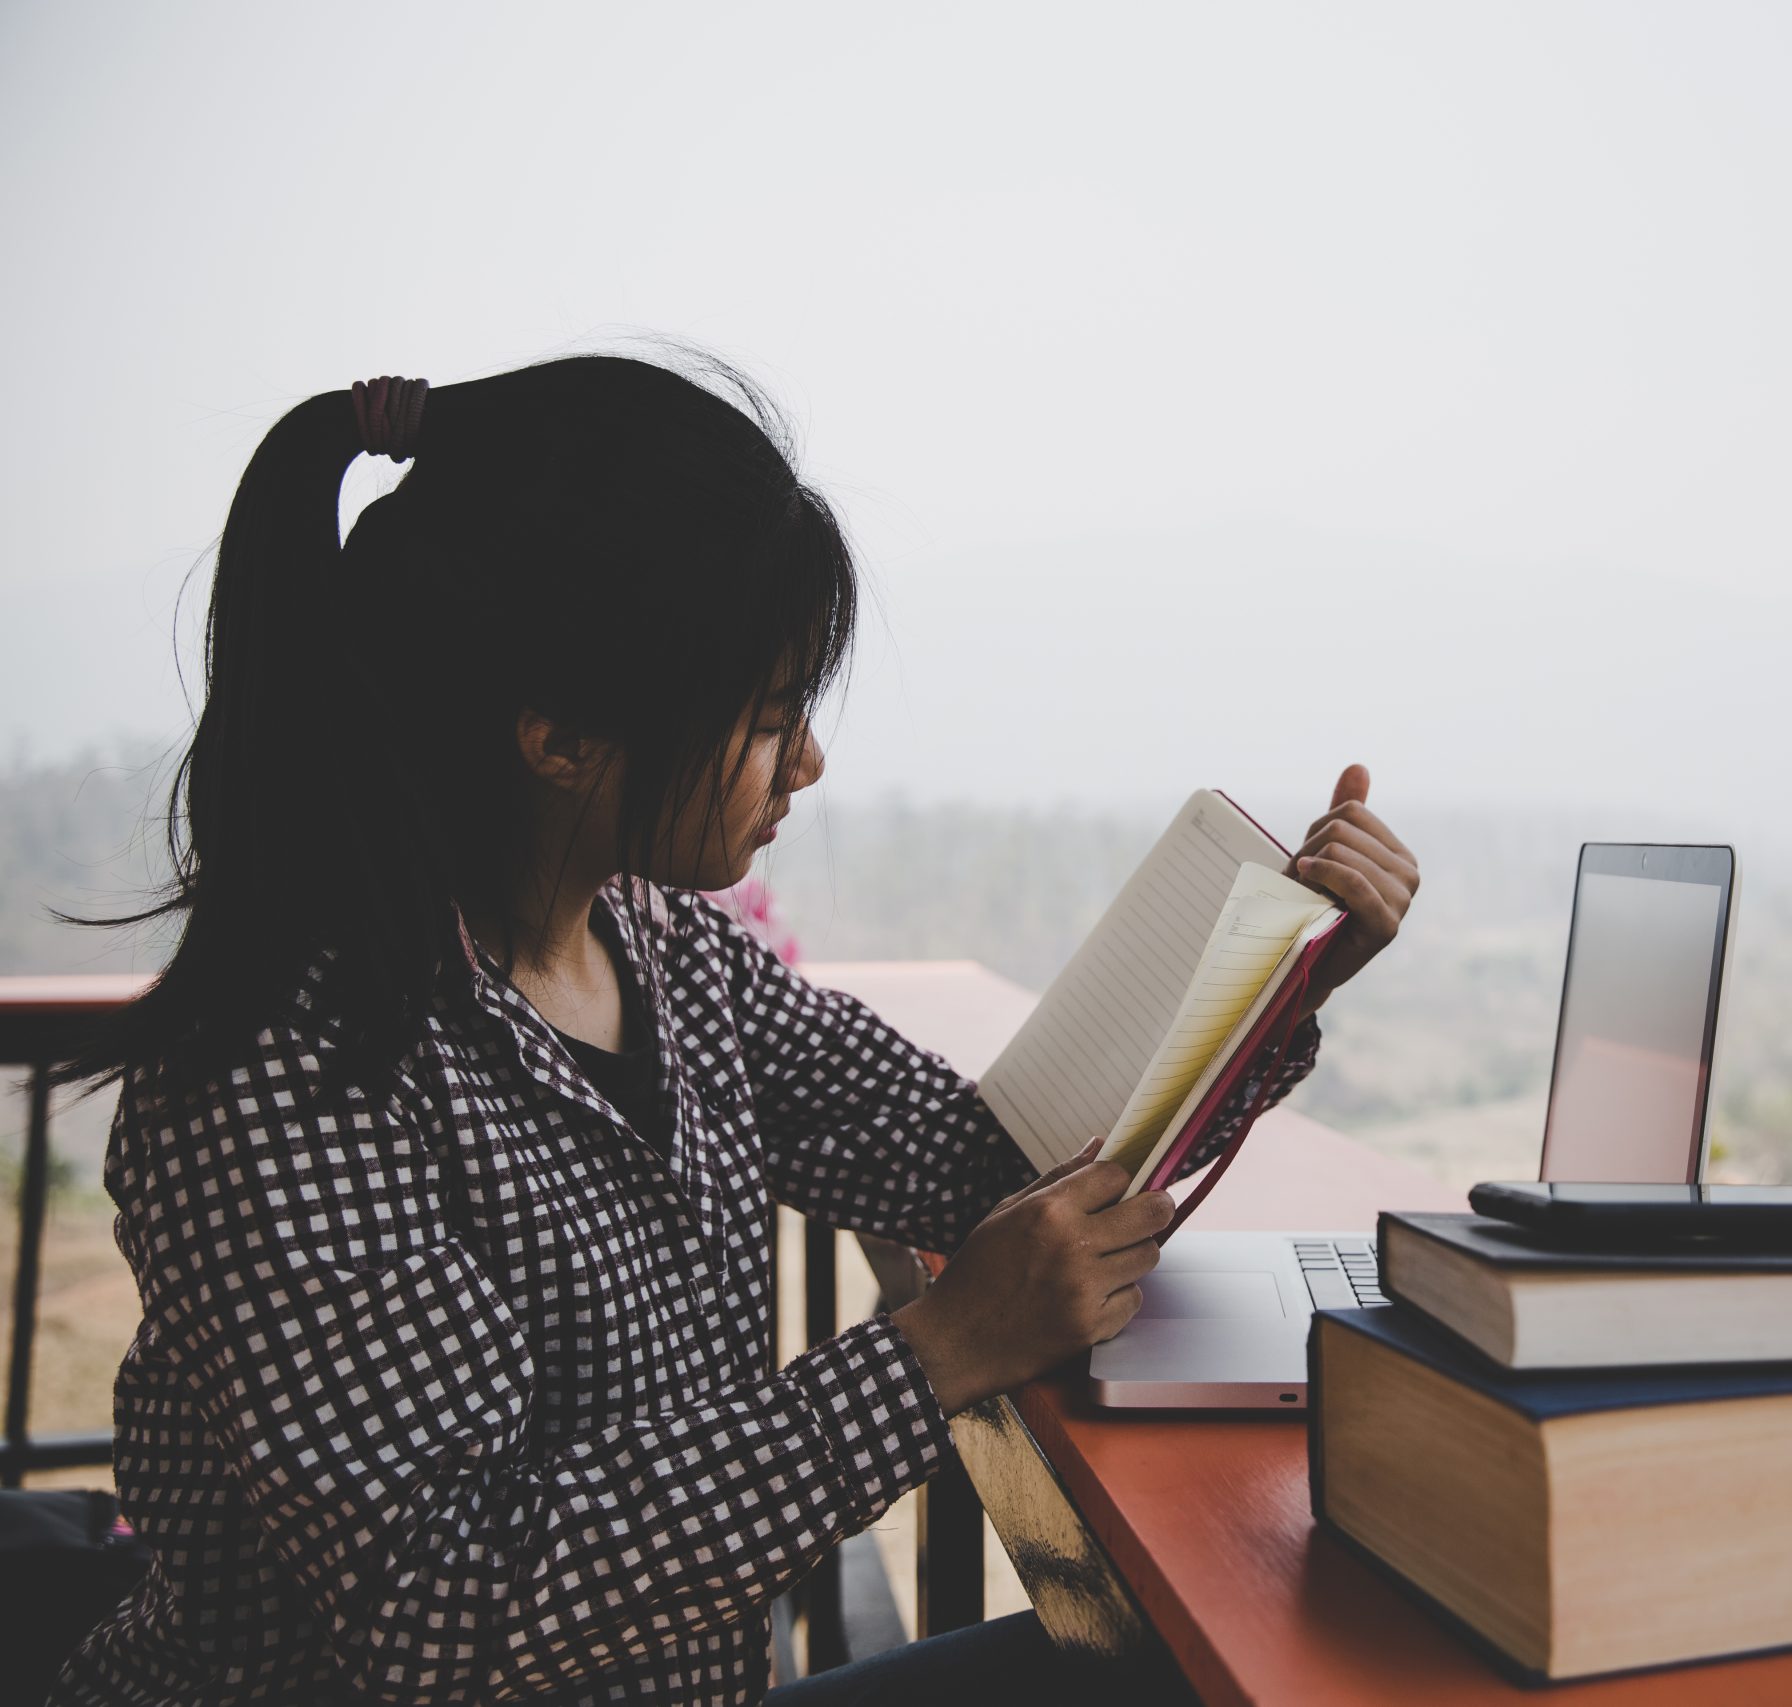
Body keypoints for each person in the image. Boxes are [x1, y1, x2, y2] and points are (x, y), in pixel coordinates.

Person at [48, 352, 1421, 1706]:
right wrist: (934, 1355)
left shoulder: (667, 953)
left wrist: (1277, 987)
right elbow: (441, 1601)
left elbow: (980, 1169)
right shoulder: (287, 1074)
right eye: (768, 719)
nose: (807, 762)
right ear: (560, 737)